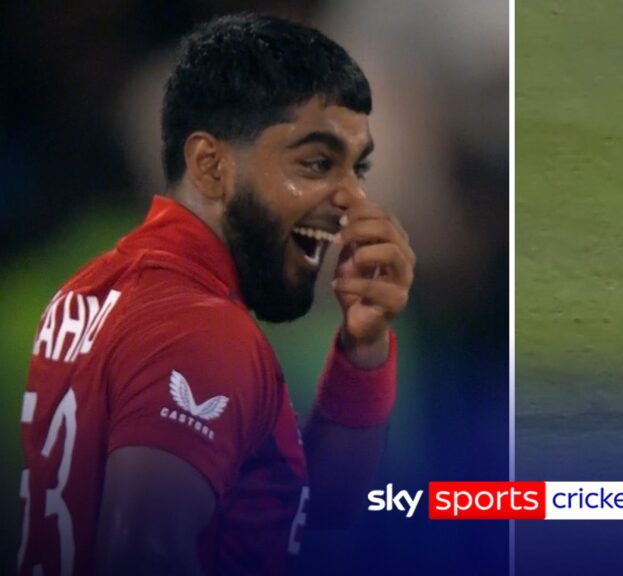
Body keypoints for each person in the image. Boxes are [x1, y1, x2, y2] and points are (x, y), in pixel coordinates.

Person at [18, 14, 415, 575]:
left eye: (357, 169)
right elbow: (143, 552)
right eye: (316, 163)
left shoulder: (93, 291)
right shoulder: (200, 330)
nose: (352, 199)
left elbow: (319, 502)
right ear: (209, 166)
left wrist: (362, 349)